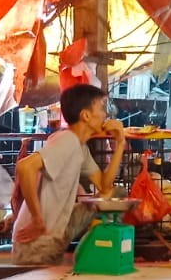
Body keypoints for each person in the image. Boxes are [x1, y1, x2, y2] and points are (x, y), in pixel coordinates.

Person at [11, 84, 127, 265]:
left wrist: (120, 144)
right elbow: (25, 167)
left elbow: (105, 187)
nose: (105, 114)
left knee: (116, 193)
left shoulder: (79, 146)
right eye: (101, 108)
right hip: (37, 242)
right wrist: (37, 219)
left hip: (51, 236)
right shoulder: (68, 141)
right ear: (86, 116)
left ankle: (92, 247)